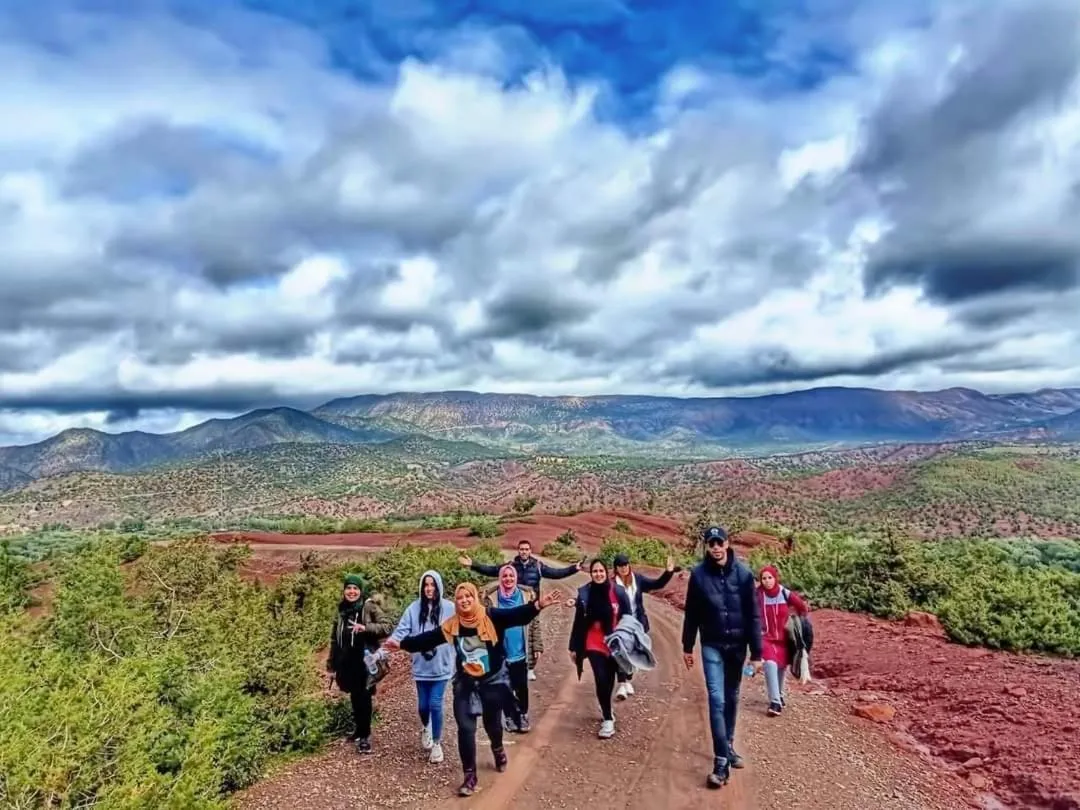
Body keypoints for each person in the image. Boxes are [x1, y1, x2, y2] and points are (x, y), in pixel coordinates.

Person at [385, 581, 565, 797]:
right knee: (465, 728)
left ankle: (497, 749)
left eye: (468, 596)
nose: (464, 601)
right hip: (466, 683)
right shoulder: (453, 625)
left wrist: (538, 605)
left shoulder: (491, 616)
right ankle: (469, 776)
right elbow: (428, 639)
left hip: (492, 681)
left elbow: (516, 616)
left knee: (492, 725)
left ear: (475, 597)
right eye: (460, 598)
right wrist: (401, 644)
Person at [681, 525, 763, 789]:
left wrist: (757, 653)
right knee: (716, 699)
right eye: (711, 543)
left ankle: (727, 744)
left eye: (720, 542)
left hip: (737, 647)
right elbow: (691, 614)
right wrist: (687, 646)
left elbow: (753, 615)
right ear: (707, 546)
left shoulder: (744, 574)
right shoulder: (698, 575)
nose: (716, 547)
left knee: (732, 697)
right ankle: (721, 762)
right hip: (712, 644)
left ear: (727, 543)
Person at [459, 538, 585, 681]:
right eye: (522, 549)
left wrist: (574, 568)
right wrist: (473, 565)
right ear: (518, 551)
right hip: (512, 606)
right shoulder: (511, 566)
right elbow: (492, 570)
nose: (524, 552)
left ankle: (530, 668)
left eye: (526, 549)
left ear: (530, 551)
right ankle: (507, 662)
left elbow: (556, 573)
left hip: (531, 605)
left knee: (530, 634)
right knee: (512, 635)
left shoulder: (537, 566)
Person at [387, 570, 456, 763]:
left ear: (439, 586)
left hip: (442, 666)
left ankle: (437, 743)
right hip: (421, 667)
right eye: (426, 585)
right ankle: (426, 727)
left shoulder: (450, 608)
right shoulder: (413, 609)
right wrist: (384, 650)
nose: (429, 588)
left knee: (435, 703)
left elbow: (466, 623)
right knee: (423, 706)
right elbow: (400, 632)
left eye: (433, 584)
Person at [326, 573, 394, 754]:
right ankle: (358, 730)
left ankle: (365, 736)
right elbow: (335, 639)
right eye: (348, 588)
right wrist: (331, 665)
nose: (351, 591)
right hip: (347, 662)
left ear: (360, 591)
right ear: (344, 590)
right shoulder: (341, 610)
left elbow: (387, 626)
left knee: (364, 697)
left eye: (355, 588)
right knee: (355, 697)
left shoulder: (368, 607)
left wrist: (366, 628)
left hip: (365, 661)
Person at [568, 558, 633, 739]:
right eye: (595, 571)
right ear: (591, 574)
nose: (598, 574)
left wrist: (629, 641)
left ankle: (606, 707)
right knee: (601, 678)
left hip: (614, 642)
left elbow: (628, 618)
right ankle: (607, 718)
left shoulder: (618, 592)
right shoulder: (586, 593)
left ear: (606, 572)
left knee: (610, 679)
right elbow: (579, 622)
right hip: (593, 642)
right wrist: (574, 647)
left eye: (601, 571)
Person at [481, 564, 542, 733]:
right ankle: (509, 716)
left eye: (511, 576)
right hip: (500, 652)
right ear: (500, 578)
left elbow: (534, 622)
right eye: (505, 576)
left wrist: (537, 645)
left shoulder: (526, 595)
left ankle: (522, 714)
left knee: (521, 686)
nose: (508, 579)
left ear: (516, 578)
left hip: (520, 650)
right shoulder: (490, 598)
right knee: (504, 687)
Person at [611, 551, 677, 701]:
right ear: (616, 568)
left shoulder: (637, 579)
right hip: (620, 624)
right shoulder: (612, 584)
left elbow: (657, 584)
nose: (624, 568)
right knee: (621, 652)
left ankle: (628, 678)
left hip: (638, 623)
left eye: (626, 565)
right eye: (620, 566)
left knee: (633, 652)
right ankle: (622, 683)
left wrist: (668, 572)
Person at [757, 564, 809, 716]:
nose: (767, 581)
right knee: (770, 664)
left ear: (775, 578)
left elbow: (802, 608)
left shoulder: (784, 593)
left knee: (780, 667)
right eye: (764, 578)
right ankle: (775, 702)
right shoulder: (757, 595)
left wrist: (797, 623)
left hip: (784, 638)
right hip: (765, 637)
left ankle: (779, 695)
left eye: (770, 577)